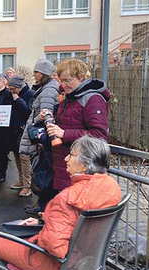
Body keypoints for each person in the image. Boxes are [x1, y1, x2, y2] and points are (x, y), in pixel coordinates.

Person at [0, 136, 122, 270]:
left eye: (71, 155)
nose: (65, 159)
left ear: (85, 165)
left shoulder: (67, 198)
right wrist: (46, 219)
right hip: (85, 263)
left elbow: (55, 247)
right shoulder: (109, 187)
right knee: (19, 237)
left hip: (59, 265)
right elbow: (73, 221)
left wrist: (44, 230)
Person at [46, 59, 110, 193]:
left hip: (81, 167)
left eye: (67, 80)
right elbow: (69, 122)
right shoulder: (70, 96)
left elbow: (99, 135)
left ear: (81, 77)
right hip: (66, 164)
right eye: (61, 81)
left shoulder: (93, 99)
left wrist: (64, 134)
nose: (63, 85)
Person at [19, 59, 60, 214]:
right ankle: (41, 205)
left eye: (36, 72)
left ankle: (43, 207)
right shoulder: (45, 88)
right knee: (39, 171)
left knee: (42, 173)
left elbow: (45, 114)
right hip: (41, 138)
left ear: (43, 73)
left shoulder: (49, 90)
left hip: (42, 139)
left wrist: (32, 126)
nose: (34, 75)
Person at [6, 76, 34, 196]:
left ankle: (28, 185)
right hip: (14, 130)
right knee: (17, 156)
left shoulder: (29, 93)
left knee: (24, 158)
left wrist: (17, 99)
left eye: (13, 89)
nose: (11, 91)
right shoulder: (12, 94)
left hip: (24, 131)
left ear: (18, 87)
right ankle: (21, 180)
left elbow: (28, 110)